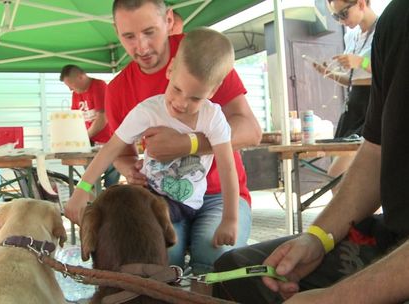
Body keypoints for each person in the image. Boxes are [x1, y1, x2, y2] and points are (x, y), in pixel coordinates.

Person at [213, 0, 409, 302]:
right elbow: (376, 152)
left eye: (343, 13)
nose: (341, 20)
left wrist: (334, 298)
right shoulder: (397, 19)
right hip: (396, 235)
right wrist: (317, 237)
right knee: (239, 274)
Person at [105, 0, 262, 275]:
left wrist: (188, 144)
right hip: (160, 195)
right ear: (116, 31)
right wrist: (130, 169)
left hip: (220, 195)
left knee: (214, 256)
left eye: (149, 32)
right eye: (129, 36)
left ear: (168, 20)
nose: (141, 47)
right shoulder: (117, 89)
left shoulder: (202, 54)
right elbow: (121, 153)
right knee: (160, 258)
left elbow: (250, 129)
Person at [65, 28, 241, 251]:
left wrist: (230, 220)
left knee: (143, 221)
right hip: (148, 192)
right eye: (176, 89)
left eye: (195, 98)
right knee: (118, 210)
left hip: (183, 201)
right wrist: (82, 189)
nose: (181, 103)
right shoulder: (148, 110)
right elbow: (111, 148)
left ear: (213, 91)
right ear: (171, 69)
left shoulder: (212, 116)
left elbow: (228, 168)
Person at [310, 0, 377, 193]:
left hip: (374, 104)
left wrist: (361, 62)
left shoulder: (384, 30)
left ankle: (354, 220)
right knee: (354, 176)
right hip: (354, 105)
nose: (340, 21)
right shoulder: (352, 36)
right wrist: (328, 73)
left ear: (362, 4)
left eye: (343, 14)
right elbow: (352, 80)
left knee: (337, 173)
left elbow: (392, 68)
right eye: (335, 16)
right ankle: (359, 221)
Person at [59, 64, 120, 187]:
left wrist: (83, 137)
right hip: (90, 144)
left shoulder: (99, 86)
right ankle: (90, 200)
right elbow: (75, 119)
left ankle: (105, 199)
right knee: (89, 181)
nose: (70, 89)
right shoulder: (76, 93)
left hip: (109, 141)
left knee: (110, 183)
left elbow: (103, 119)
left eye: (71, 84)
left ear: (81, 77)